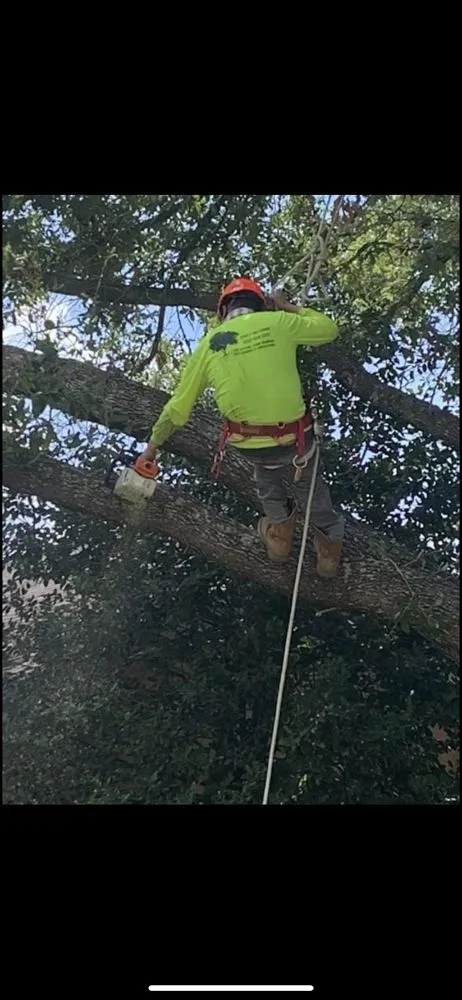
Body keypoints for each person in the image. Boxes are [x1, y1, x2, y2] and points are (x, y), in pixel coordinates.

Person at [141, 277, 344, 577]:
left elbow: (177, 408)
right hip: (296, 440)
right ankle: (328, 551)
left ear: (223, 312)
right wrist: (287, 307)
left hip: (251, 444)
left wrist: (151, 449)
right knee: (311, 488)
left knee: (266, 476)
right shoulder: (280, 322)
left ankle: (280, 534)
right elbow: (329, 329)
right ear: (261, 304)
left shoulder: (210, 344)